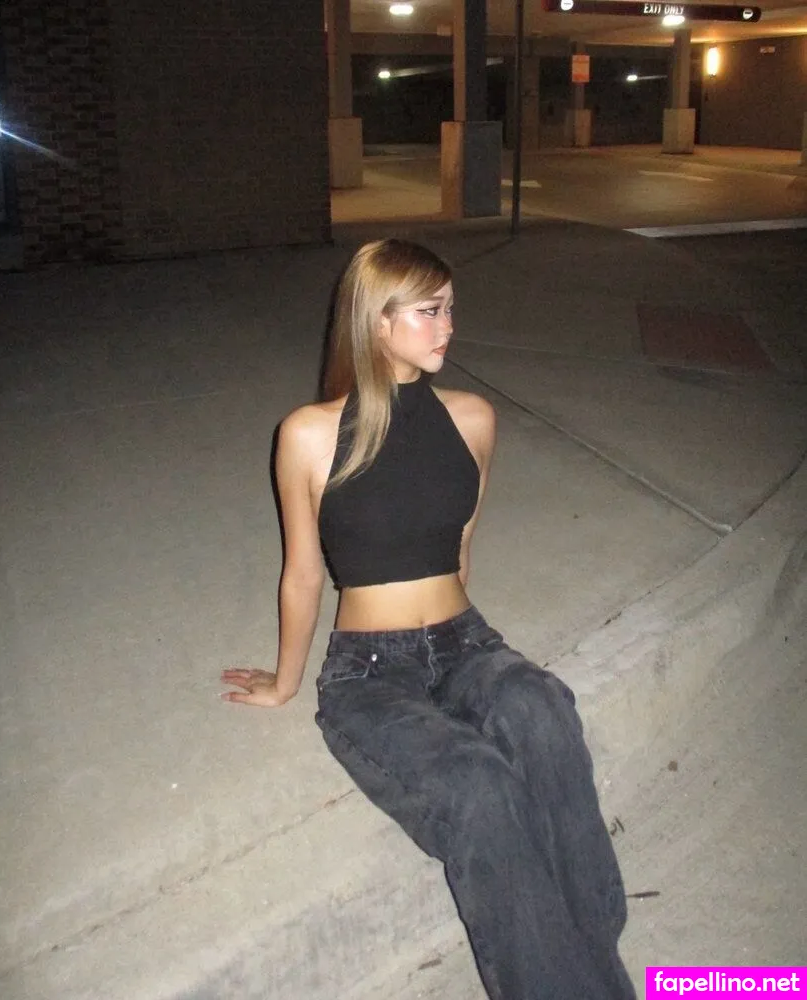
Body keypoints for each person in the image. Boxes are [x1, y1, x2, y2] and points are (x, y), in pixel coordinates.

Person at [221, 239, 636, 1000]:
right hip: (370, 672)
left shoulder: (473, 418)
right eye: (430, 311)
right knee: (480, 786)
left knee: (543, 710)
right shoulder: (309, 434)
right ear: (376, 321)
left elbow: (461, 547)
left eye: (450, 309)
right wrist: (284, 682)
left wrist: (475, 664)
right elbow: (303, 573)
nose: (449, 326)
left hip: (465, 641)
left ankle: (595, 949)